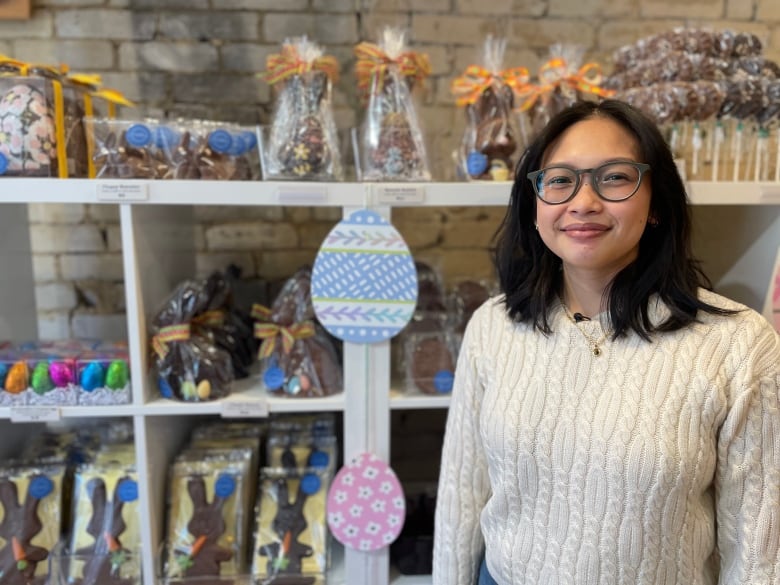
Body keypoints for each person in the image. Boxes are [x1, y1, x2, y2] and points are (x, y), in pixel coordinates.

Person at [432, 99, 780, 585]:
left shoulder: (738, 345)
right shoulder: (493, 326)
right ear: (533, 204)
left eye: (615, 177)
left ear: (657, 202)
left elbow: (758, 550)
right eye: (559, 180)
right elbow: (461, 496)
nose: (583, 202)